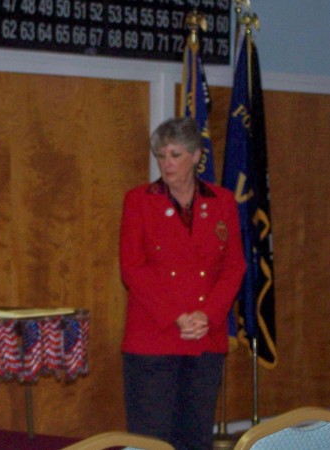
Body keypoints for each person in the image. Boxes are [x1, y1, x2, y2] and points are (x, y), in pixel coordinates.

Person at [120, 117, 246, 450]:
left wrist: (208, 315)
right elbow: (132, 269)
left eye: (175, 154)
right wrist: (177, 315)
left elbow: (234, 266)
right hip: (154, 337)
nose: (166, 163)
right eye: (161, 156)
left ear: (195, 155)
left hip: (205, 337)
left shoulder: (222, 202)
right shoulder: (139, 201)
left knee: (196, 436)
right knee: (152, 438)